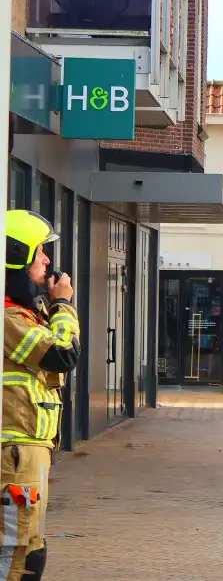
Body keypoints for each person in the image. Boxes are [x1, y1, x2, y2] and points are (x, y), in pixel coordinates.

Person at [2, 209, 81, 580]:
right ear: (16, 257)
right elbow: (62, 354)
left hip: (27, 449)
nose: (47, 260)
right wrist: (64, 305)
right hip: (15, 453)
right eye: (40, 253)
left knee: (28, 546)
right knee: (18, 551)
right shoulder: (9, 319)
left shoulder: (23, 314)